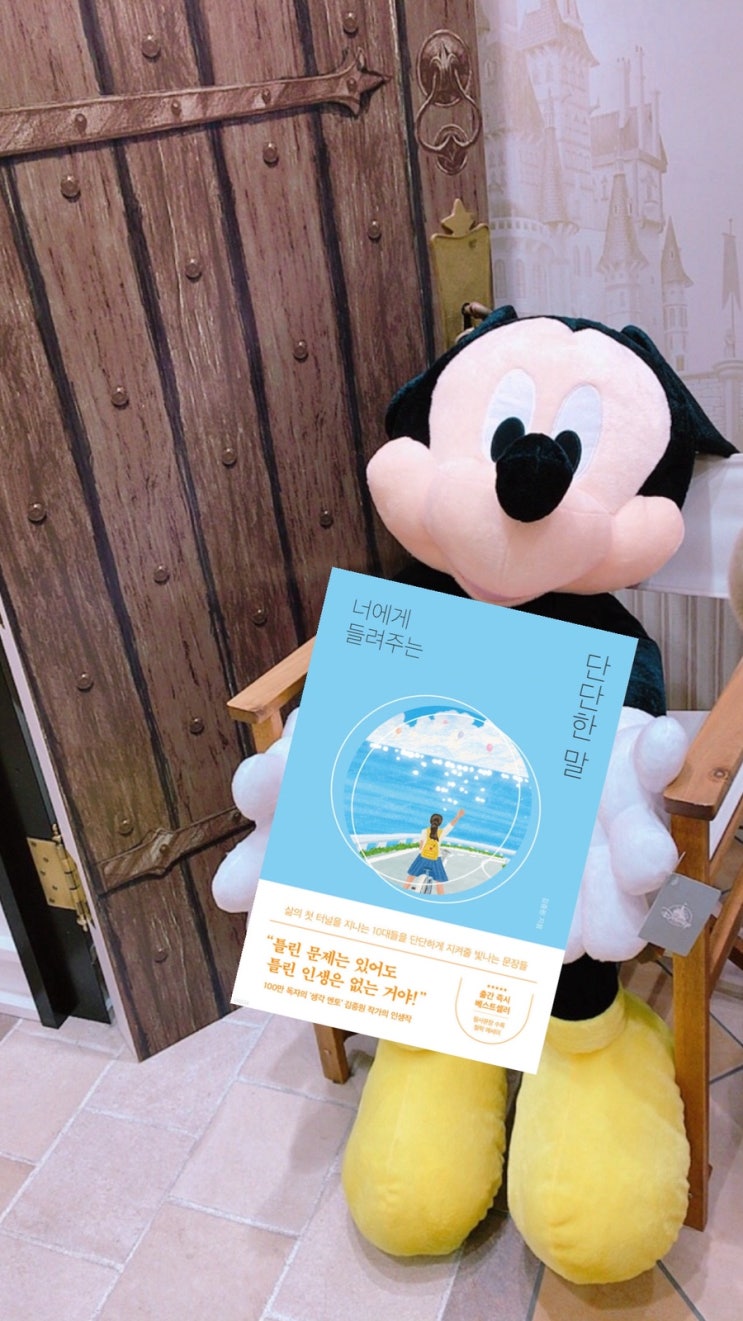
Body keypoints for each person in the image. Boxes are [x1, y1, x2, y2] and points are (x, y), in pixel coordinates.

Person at [403, 808, 465, 894]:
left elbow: (421, 847)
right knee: (439, 881)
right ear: (440, 823)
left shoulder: (424, 831)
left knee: (411, 876)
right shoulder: (442, 832)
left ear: (430, 821)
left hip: (422, 858)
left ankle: (403, 892)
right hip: (435, 859)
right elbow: (450, 825)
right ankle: (442, 899)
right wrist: (458, 816)